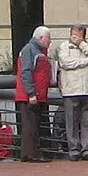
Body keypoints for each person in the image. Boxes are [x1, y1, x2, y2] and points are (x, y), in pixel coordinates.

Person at [54, 25, 88, 160]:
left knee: (87, 122)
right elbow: (66, 63)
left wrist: (82, 45)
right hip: (71, 90)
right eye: (74, 35)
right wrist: (86, 61)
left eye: (79, 36)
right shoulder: (64, 47)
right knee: (71, 122)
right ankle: (74, 149)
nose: (75, 38)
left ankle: (86, 149)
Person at [14, 26, 54, 161]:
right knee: (31, 126)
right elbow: (26, 72)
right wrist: (31, 94)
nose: (50, 41)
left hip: (36, 95)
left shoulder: (36, 50)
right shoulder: (30, 50)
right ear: (40, 38)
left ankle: (29, 154)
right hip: (30, 96)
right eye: (49, 38)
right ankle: (32, 154)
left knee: (32, 125)